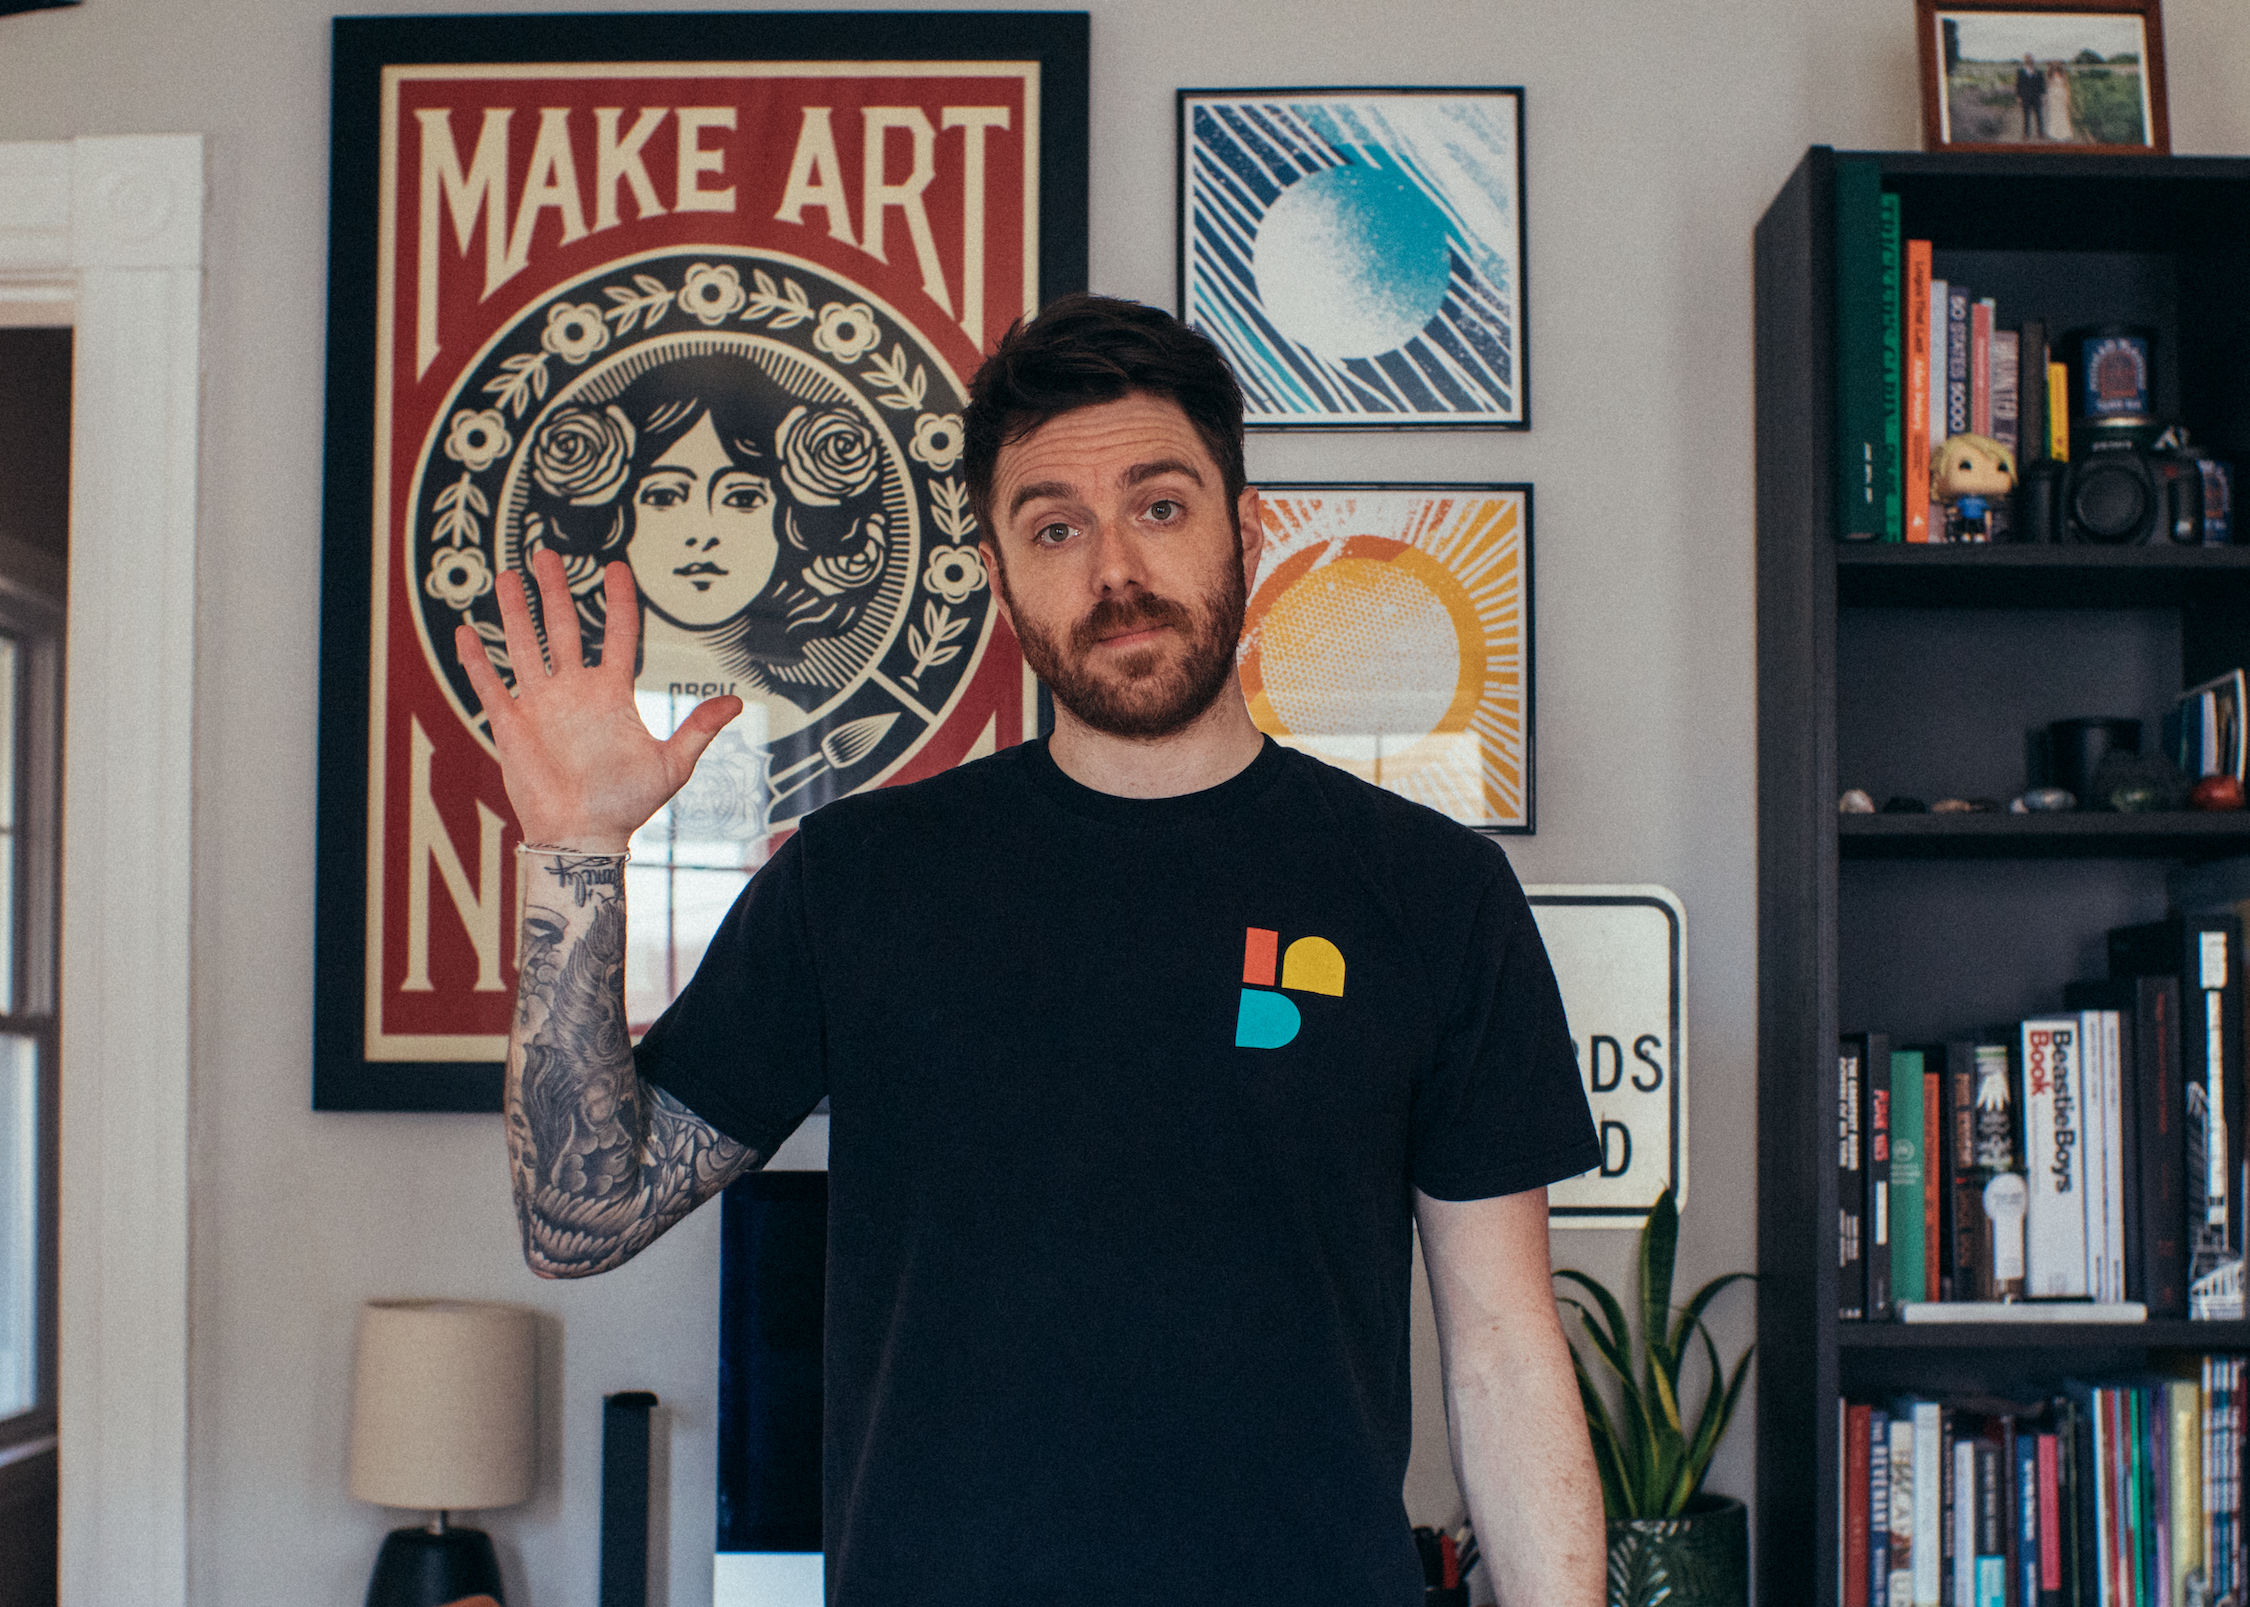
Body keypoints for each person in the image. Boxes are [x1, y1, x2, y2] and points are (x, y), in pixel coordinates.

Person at [458, 293, 1605, 1606]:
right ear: (1000, 576)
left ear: (1245, 529)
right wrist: (573, 847)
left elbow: (1507, 1349)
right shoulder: (859, 879)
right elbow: (578, 1215)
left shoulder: (1430, 892)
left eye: (1159, 506)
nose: (1112, 566)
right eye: (1053, 525)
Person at [514, 350, 892, 723]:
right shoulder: (576, 727)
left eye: (742, 497)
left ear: (790, 522)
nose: (703, 533)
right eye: (664, 496)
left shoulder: (798, 723)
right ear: (616, 518)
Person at [2015, 52, 2048, 139]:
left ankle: (2040, 133)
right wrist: (2018, 97)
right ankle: (2026, 134)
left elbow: (2042, 84)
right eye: (2027, 59)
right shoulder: (2020, 72)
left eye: (2030, 59)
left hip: (2036, 96)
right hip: (2025, 97)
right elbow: (2018, 85)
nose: (2029, 60)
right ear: (2025, 61)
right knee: (2026, 117)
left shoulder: (2039, 72)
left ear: (2033, 60)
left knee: (2039, 116)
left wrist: (2044, 96)